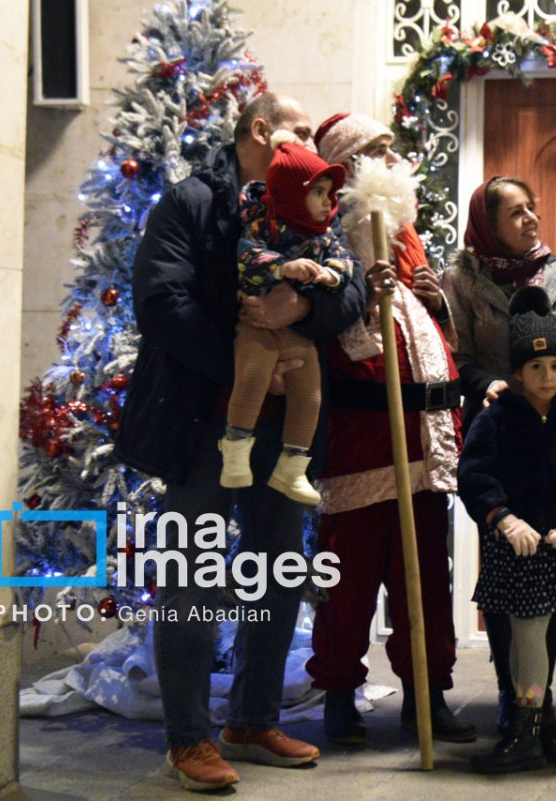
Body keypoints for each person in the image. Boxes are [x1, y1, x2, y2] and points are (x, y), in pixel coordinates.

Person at [116, 93, 367, 792]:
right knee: (195, 575)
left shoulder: (311, 200)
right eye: (296, 130)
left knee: (279, 568)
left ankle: (252, 719)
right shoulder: (193, 202)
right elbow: (163, 303)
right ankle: (189, 737)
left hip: (283, 435)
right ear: (261, 132)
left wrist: (302, 305)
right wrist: (254, 363)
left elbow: (349, 294)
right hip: (201, 422)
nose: (311, 144)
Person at [303, 112, 474, 744]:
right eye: (379, 151)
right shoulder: (327, 236)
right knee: (347, 581)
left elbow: (430, 329)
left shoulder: (407, 236)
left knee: (425, 578)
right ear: (348, 168)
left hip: (424, 440)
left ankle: (426, 696)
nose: (394, 159)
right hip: (361, 441)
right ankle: (340, 696)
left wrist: (433, 299)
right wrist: (354, 285)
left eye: (393, 149)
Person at [458, 286, 556, 773]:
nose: (547, 377)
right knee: (519, 636)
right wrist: (503, 518)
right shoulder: (497, 419)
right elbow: (474, 474)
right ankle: (525, 724)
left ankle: (532, 726)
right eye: (535, 368)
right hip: (513, 548)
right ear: (516, 372)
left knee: (539, 638)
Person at [442, 177, 556, 748]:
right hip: (497, 433)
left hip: (555, 430)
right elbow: (460, 356)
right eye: (515, 212)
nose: (530, 219)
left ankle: (540, 703)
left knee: (550, 570)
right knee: (505, 579)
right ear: (487, 221)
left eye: (533, 208)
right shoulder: (461, 278)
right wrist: (491, 382)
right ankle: (509, 698)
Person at [221, 134, 356, 506]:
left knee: (309, 395)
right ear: (293, 194)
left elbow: (346, 264)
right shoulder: (263, 225)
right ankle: (234, 450)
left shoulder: (325, 234)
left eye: (330, 193)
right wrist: (283, 267)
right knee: (251, 377)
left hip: (298, 331)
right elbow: (247, 257)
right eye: (318, 192)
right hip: (257, 322)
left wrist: (330, 274)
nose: (328, 201)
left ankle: (292, 467)